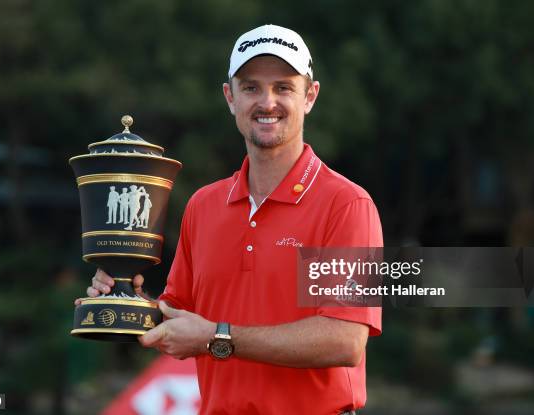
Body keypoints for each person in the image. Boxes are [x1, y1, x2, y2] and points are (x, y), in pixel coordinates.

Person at [82, 24, 383, 414]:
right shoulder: (204, 206)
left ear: (310, 96)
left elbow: (344, 340)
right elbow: (179, 320)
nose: (267, 101)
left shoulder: (345, 205)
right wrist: (126, 300)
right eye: (251, 87)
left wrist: (217, 337)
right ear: (230, 97)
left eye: (284, 87)